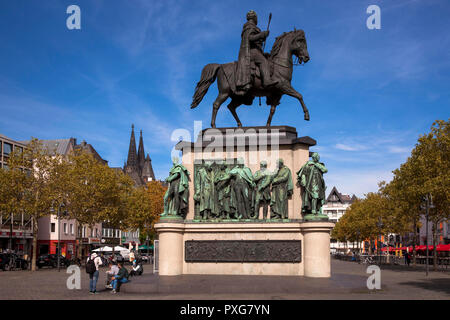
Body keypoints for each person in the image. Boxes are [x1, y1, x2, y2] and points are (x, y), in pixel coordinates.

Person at [236, 10, 278, 95]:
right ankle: (267, 81)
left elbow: (256, 40)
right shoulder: (250, 26)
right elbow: (250, 38)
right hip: (251, 52)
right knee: (263, 61)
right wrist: (262, 35)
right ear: (255, 18)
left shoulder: (250, 27)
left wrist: (262, 38)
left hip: (256, 51)